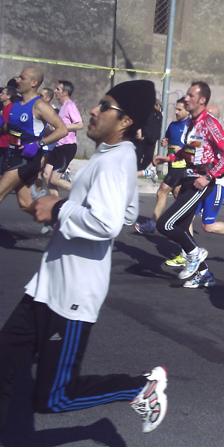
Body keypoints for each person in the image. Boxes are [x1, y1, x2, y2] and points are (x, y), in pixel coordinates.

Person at [0, 80, 168, 434]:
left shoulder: (116, 161)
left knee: (54, 398)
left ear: (124, 122)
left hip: (72, 299)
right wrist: (52, 207)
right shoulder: (108, 156)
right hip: (47, 287)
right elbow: (124, 214)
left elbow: (106, 223)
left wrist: (59, 208)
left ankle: (139, 388)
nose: (93, 110)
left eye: (104, 106)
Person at [152, 81, 224, 281]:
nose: (186, 99)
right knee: (182, 228)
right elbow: (191, 149)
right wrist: (171, 158)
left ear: (202, 100)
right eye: (187, 95)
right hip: (189, 179)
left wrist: (209, 176)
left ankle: (194, 253)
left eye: (191, 96)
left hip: (201, 183)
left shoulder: (209, 122)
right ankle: (204, 274)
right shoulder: (193, 123)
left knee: (165, 224)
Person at [0, 67, 67, 212]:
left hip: (27, 159)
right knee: (26, 204)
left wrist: (39, 144)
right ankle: (59, 218)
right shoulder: (16, 105)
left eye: (22, 78)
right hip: (14, 156)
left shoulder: (40, 105)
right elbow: (9, 130)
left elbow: (62, 129)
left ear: (34, 83)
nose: (17, 80)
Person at [135, 97, 190, 235]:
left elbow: (196, 145)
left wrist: (181, 150)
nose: (176, 112)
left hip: (182, 165)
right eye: (176, 109)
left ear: (187, 110)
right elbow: (167, 140)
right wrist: (165, 142)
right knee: (178, 195)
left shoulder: (191, 126)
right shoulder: (173, 125)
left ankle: (152, 224)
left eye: (179, 109)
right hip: (173, 164)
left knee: (162, 192)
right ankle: (188, 233)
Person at [41, 80, 83, 195]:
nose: (55, 91)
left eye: (58, 89)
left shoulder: (70, 105)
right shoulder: (63, 107)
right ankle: (57, 203)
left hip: (67, 147)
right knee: (46, 175)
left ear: (65, 92)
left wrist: (61, 127)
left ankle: (84, 193)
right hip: (58, 146)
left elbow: (79, 124)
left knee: (55, 179)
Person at [135, 99, 162, 182]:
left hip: (152, 140)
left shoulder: (160, 115)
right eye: (159, 106)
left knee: (149, 157)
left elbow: (158, 127)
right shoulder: (148, 113)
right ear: (156, 105)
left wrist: (157, 137)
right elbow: (144, 124)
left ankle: (141, 171)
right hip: (145, 138)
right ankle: (138, 170)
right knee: (139, 154)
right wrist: (142, 134)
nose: (160, 108)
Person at [0, 86, 19, 176]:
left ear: (9, 96)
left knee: (5, 167)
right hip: (2, 142)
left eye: (2, 93)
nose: (0, 95)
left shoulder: (9, 108)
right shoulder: (4, 108)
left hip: (6, 142)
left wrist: (1, 118)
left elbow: (6, 127)